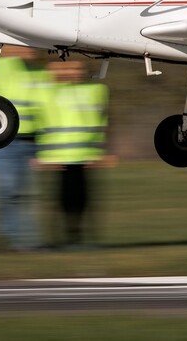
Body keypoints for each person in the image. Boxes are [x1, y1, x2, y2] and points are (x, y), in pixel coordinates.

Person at [0, 45, 49, 251]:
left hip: (31, 141)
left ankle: (16, 238)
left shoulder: (40, 72)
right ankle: (17, 240)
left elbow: (45, 107)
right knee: (8, 191)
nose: (31, 50)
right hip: (4, 141)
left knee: (26, 193)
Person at [37, 61, 112, 248]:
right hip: (59, 157)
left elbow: (100, 122)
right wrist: (44, 156)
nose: (73, 73)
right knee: (60, 201)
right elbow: (43, 121)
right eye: (68, 68)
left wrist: (98, 153)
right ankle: (57, 240)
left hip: (84, 156)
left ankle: (82, 239)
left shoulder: (95, 91)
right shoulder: (49, 92)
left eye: (77, 69)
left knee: (83, 201)